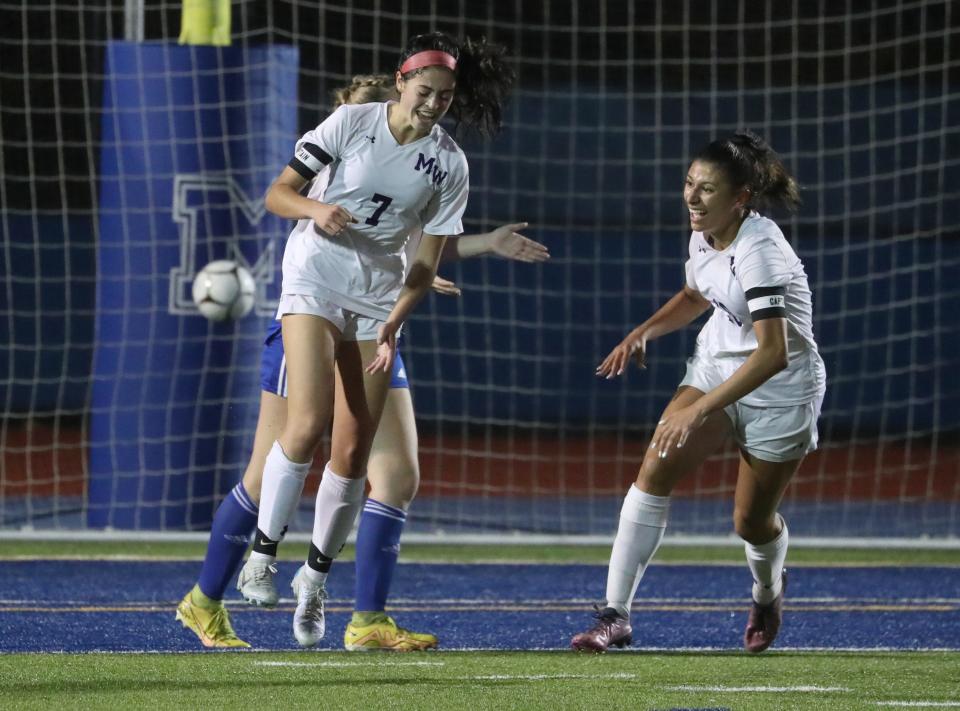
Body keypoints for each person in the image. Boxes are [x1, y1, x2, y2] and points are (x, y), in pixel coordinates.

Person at [175, 34, 524, 649]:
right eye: (423, 92)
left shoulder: (446, 163)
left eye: (444, 95)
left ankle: (352, 609)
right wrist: (315, 210)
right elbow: (282, 194)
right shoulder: (351, 126)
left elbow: (420, 250)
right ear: (396, 84)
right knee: (287, 451)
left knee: (386, 470)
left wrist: (414, 299)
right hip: (312, 290)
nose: (434, 104)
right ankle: (222, 587)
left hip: (376, 309)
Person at [570, 130, 826, 654]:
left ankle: (768, 590)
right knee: (655, 465)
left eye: (707, 190)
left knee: (750, 522)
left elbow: (773, 353)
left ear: (741, 199)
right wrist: (644, 330)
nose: (691, 197)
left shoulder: (761, 252)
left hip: (780, 387)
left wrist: (702, 410)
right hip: (716, 367)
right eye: (689, 183)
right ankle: (615, 613)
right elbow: (694, 293)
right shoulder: (704, 234)